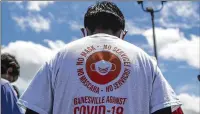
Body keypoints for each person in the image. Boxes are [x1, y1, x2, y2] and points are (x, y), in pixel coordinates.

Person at [20, 1, 183, 114]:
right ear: (123, 34)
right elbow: (164, 109)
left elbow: (35, 110)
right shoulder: (145, 61)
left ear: (84, 32)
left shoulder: (58, 58)